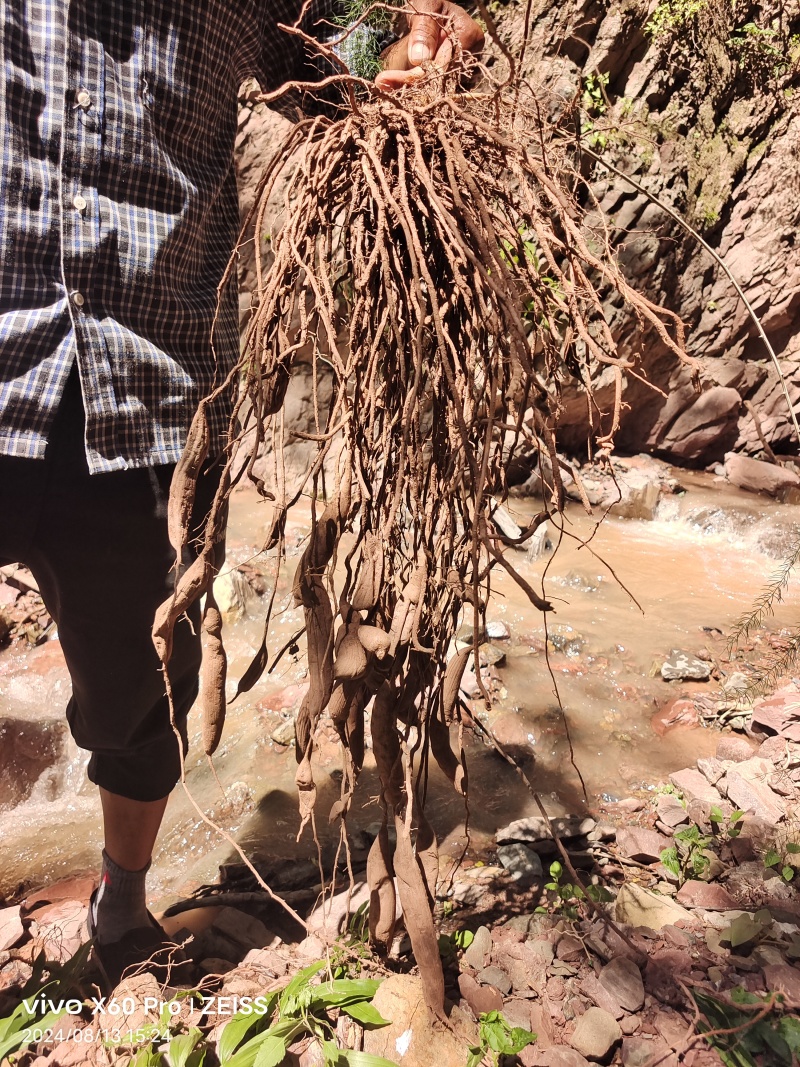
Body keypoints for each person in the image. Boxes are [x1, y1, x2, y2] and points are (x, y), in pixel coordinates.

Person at [0, 0, 483, 987]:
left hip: (149, 407)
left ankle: (120, 908)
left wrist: (410, 47)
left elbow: (339, 58)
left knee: (146, 693)